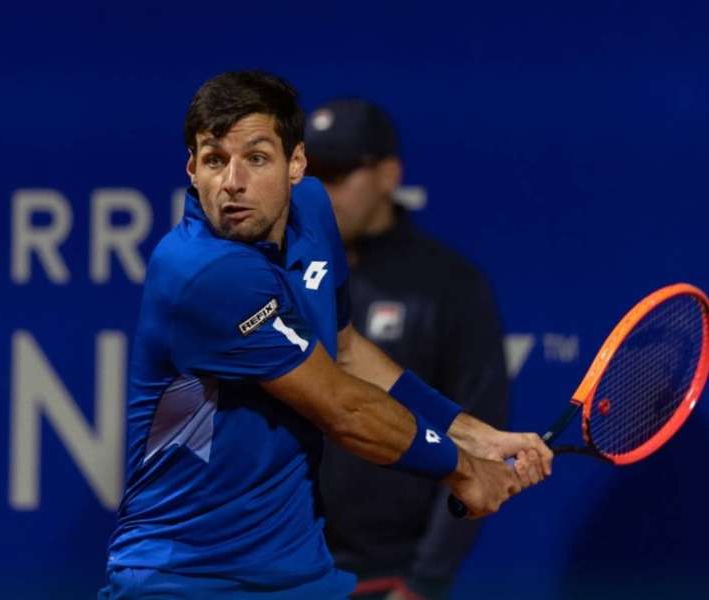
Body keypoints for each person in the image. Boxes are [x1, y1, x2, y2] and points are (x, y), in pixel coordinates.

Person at [101, 71, 551, 600]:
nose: (233, 182)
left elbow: (346, 351)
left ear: (296, 165)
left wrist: (474, 434)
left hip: (297, 574)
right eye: (215, 159)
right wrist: (462, 470)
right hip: (187, 579)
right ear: (192, 169)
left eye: (258, 158)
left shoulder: (313, 211)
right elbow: (343, 409)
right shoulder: (203, 272)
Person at [305, 99, 511, 599]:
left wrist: (423, 584)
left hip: (387, 576)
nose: (322, 193)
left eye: (340, 173)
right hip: (286, 571)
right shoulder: (283, 274)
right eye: (313, 175)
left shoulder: (450, 285)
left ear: (387, 175)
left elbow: (474, 429)